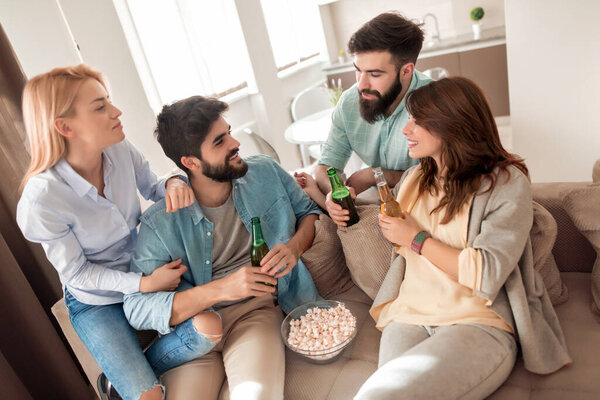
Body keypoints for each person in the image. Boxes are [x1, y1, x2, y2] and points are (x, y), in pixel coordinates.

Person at [325, 77, 572, 399]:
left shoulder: (504, 184)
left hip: (476, 319)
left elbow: (487, 271)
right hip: (409, 315)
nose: (405, 130)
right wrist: (337, 202)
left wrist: (416, 238)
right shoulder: (416, 178)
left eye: (416, 121)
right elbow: (384, 191)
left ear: (451, 125)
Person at [15, 65, 208, 400]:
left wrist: (175, 182)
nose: (116, 112)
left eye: (110, 102)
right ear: (64, 126)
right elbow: (77, 272)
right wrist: (145, 284)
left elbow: (152, 187)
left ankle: (118, 381)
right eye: (100, 106)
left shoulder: (119, 150)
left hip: (146, 270)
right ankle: (121, 383)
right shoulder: (42, 199)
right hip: (96, 301)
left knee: (210, 330)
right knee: (150, 397)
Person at [122, 96, 321, 399]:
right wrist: (222, 289)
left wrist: (293, 248)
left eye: (229, 131)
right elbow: (137, 309)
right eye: (220, 141)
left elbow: (308, 212)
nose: (235, 142)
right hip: (194, 332)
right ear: (190, 162)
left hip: (256, 316)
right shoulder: (159, 223)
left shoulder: (265, 172)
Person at [314, 12, 433, 198]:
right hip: (378, 203)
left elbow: (443, 178)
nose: (361, 85)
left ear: (406, 71)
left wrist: (375, 175)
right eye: (358, 71)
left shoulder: (436, 103)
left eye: (375, 74)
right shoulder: (349, 102)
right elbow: (326, 166)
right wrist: (337, 192)